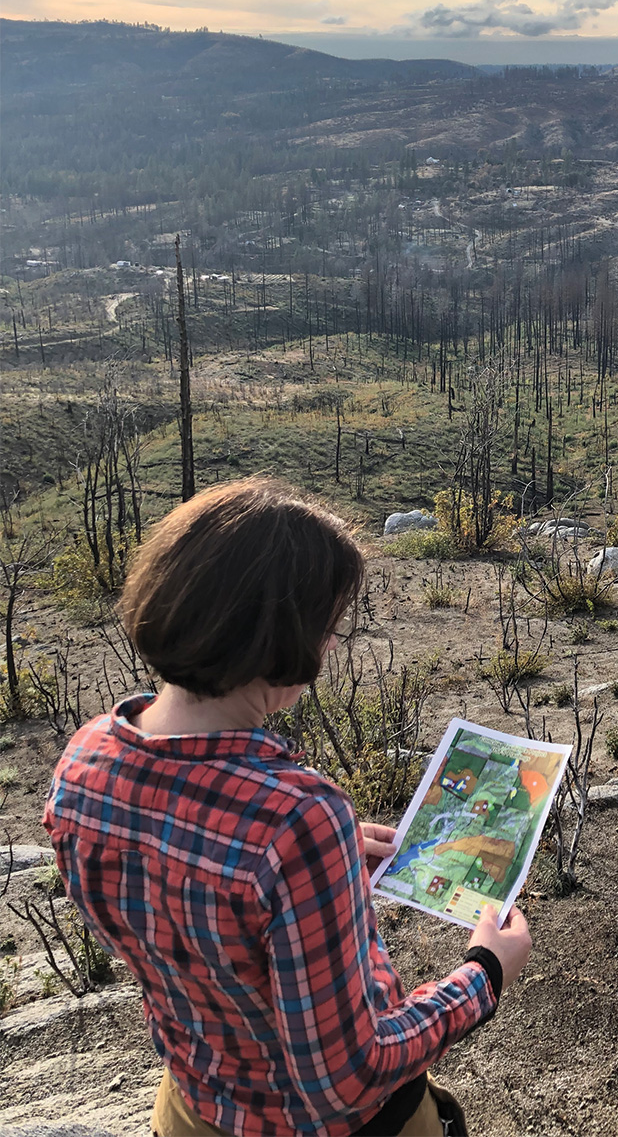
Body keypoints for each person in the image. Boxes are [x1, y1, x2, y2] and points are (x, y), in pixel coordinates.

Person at [44, 478, 532, 1136]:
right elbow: (346, 1080)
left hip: (192, 1108)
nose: (329, 648)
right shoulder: (295, 820)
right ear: (280, 638)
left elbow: (191, 927)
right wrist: (485, 972)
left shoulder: (84, 761)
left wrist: (311, 870)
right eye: (327, 628)